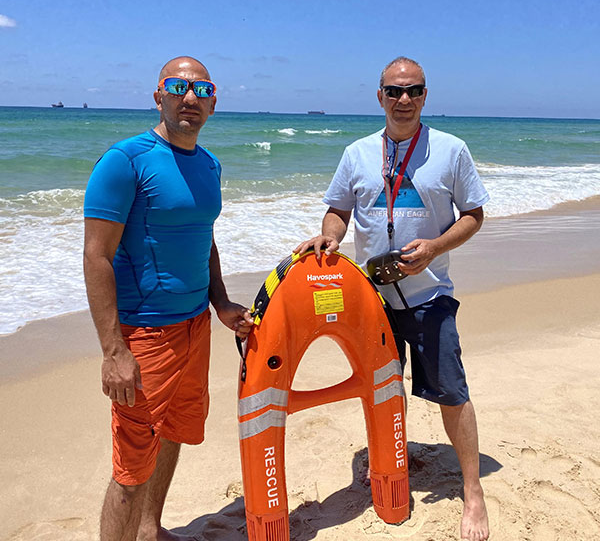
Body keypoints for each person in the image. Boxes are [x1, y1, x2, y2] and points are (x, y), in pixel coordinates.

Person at [295, 57, 490, 541]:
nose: (404, 100)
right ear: (378, 96)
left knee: (452, 391)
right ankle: (390, 464)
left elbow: (474, 214)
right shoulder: (358, 152)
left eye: (414, 91)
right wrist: (330, 237)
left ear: (425, 96)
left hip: (429, 296)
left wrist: (435, 248)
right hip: (372, 298)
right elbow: (338, 210)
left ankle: (473, 491)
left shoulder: (451, 150)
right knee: (384, 389)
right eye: (394, 91)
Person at [83, 56, 253, 541]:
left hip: (195, 324)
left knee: (176, 432)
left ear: (214, 103)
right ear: (158, 95)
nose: (191, 98)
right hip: (143, 333)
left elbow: (205, 238)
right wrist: (114, 350)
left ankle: (150, 531)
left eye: (203, 89)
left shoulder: (209, 164)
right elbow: (97, 256)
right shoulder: (125, 160)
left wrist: (220, 304)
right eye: (179, 86)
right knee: (132, 466)